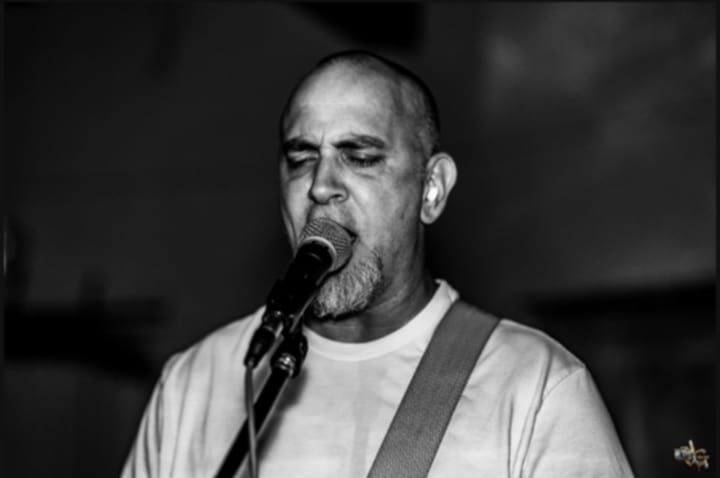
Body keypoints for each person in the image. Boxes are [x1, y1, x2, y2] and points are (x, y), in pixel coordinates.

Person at [121, 51, 634, 477]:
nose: (320, 186)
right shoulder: (193, 385)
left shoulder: (537, 389)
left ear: (431, 190)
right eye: (301, 159)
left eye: (360, 157)